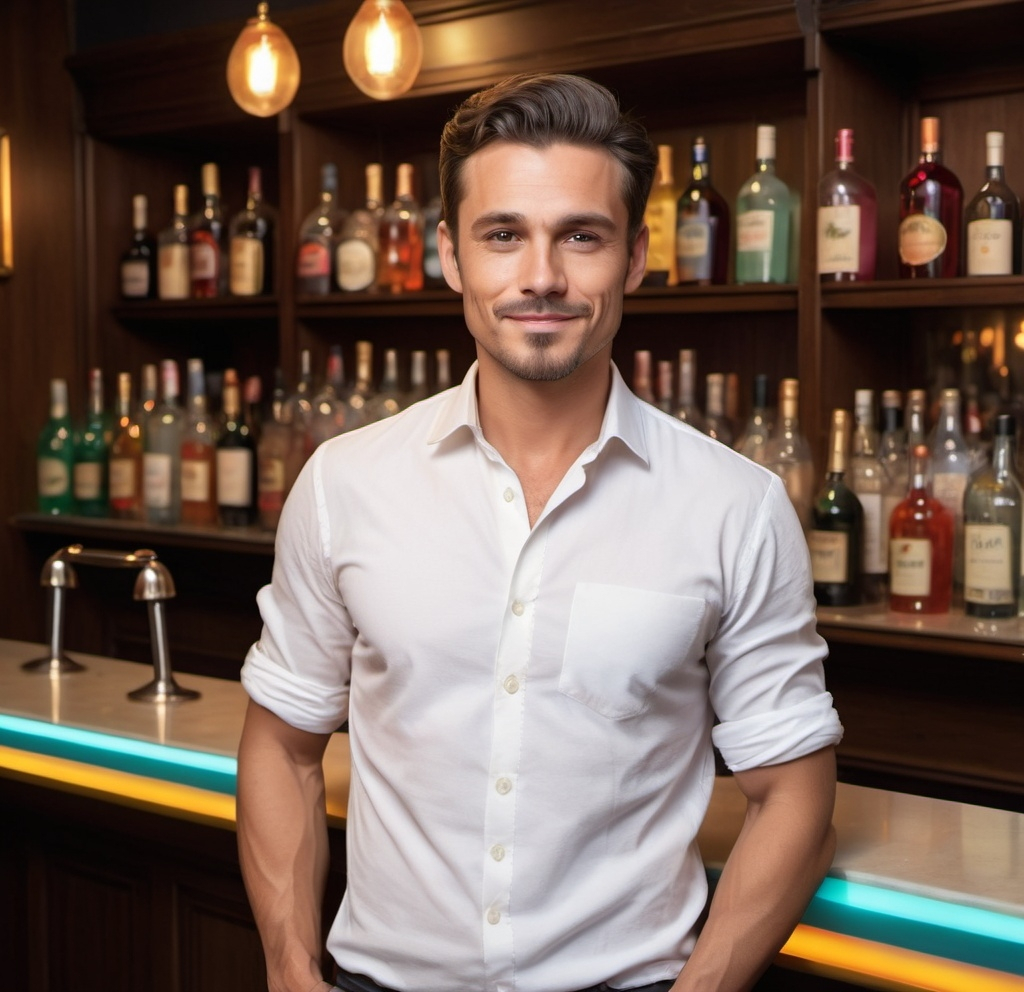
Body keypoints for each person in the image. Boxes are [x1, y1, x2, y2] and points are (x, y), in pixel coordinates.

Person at [237, 72, 843, 992]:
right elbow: (281, 743)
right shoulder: (343, 484)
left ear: (635, 257)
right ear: (450, 253)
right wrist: (289, 969)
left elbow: (794, 790)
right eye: (503, 235)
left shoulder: (737, 506)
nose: (542, 277)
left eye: (581, 236)